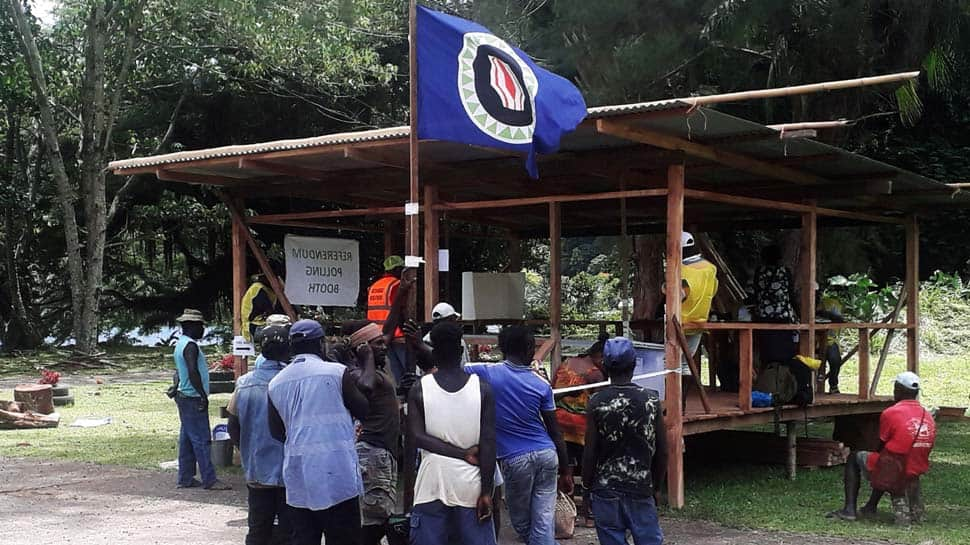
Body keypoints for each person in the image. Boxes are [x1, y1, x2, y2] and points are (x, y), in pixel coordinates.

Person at [267, 319, 374, 545]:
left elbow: (276, 432)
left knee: (304, 538)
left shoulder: (276, 383)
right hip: (338, 475)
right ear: (320, 345)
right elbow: (364, 409)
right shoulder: (336, 373)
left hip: (299, 477)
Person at [466, 326, 573, 545]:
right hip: (547, 454)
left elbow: (452, 368)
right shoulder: (541, 384)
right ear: (529, 349)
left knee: (522, 521)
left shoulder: (487, 372)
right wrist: (566, 470)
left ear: (502, 348)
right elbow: (555, 432)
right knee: (543, 520)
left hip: (515, 459)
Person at [408, 321, 497, 545]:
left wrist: (459, 453)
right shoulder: (482, 389)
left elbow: (416, 437)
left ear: (434, 353)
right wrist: (487, 491)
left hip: (431, 483)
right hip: (471, 486)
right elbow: (488, 444)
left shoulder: (419, 388)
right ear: (460, 352)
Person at [583, 337, 667, 545]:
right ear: (634, 364)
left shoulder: (596, 402)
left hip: (605, 489)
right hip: (640, 487)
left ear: (604, 365)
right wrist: (656, 487)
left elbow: (590, 451)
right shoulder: (651, 400)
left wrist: (586, 488)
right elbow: (663, 450)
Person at [828, 372, 937, 525]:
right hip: (916, 466)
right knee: (886, 459)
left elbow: (881, 445)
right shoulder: (928, 415)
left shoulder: (891, 412)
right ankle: (871, 506)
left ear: (897, 389)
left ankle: (849, 510)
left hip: (896, 466)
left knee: (859, 458)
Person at [227, 322, 292, 545]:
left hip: (257, 470)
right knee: (289, 530)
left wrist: (246, 450)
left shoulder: (244, 383)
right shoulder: (292, 381)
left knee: (258, 528)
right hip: (289, 472)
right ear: (288, 349)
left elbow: (232, 425)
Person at [343, 321, 403, 545]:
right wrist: (367, 356)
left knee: (380, 513)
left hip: (382, 453)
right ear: (363, 348)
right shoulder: (358, 373)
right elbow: (366, 387)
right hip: (372, 452)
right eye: (377, 344)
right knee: (375, 517)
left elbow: (387, 332)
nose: (384, 347)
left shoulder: (376, 370)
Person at [172, 308, 231, 491]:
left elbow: (178, 372)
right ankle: (210, 479)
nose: (203, 330)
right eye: (200, 326)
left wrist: (176, 387)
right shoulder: (191, 346)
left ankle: (186, 477)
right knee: (202, 440)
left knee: (187, 439)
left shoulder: (180, 344)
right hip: (192, 397)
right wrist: (203, 396)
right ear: (192, 326)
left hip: (184, 396)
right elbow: (192, 371)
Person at [551, 333, 607, 527]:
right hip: (581, 427)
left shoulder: (567, 362)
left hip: (559, 423)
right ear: (600, 357)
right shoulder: (595, 373)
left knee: (566, 468)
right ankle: (589, 514)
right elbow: (599, 404)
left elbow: (552, 388)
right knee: (589, 469)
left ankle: (567, 513)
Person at [679, 231, 718, 409]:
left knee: (668, 364)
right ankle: (683, 404)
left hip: (679, 322)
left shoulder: (681, 270)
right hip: (700, 322)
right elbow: (714, 291)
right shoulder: (711, 268)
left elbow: (678, 295)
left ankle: (673, 403)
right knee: (687, 364)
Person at [753, 244, 798, 364]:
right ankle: (783, 377)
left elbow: (756, 294)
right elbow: (791, 295)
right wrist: (800, 314)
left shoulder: (759, 272)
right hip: (782, 317)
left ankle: (767, 377)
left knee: (766, 352)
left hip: (764, 318)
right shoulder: (784, 272)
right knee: (785, 353)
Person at [368, 256, 408, 382]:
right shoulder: (396, 284)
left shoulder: (374, 286)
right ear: (396, 269)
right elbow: (399, 309)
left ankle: (401, 396)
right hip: (397, 334)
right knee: (407, 371)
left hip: (379, 336)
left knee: (396, 373)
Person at [420, 302, 471, 367]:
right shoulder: (457, 340)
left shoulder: (424, 341)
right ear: (450, 319)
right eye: (454, 318)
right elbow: (464, 366)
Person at [817, 291, 846, 394]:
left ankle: (833, 384)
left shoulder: (831, 303)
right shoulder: (800, 303)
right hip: (809, 339)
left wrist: (823, 313)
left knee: (835, 359)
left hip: (829, 340)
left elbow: (840, 320)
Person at [242, 273, 279, 343]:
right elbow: (269, 310)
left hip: (259, 324)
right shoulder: (257, 288)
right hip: (254, 326)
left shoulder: (267, 290)